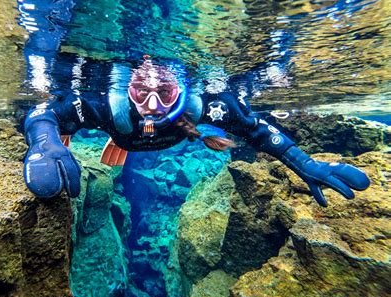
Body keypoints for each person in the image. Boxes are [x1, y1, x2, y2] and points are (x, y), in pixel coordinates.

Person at [23, 58, 370, 207]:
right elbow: (44, 112)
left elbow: (259, 131)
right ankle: (111, 141)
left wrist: (306, 165)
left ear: (183, 90)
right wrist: (47, 142)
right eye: (142, 94)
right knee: (68, 121)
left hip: (125, 139)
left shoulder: (207, 105)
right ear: (126, 89)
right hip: (122, 137)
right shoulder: (104, 106)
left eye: (166, 93)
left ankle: (119, 142)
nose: (154, 105)